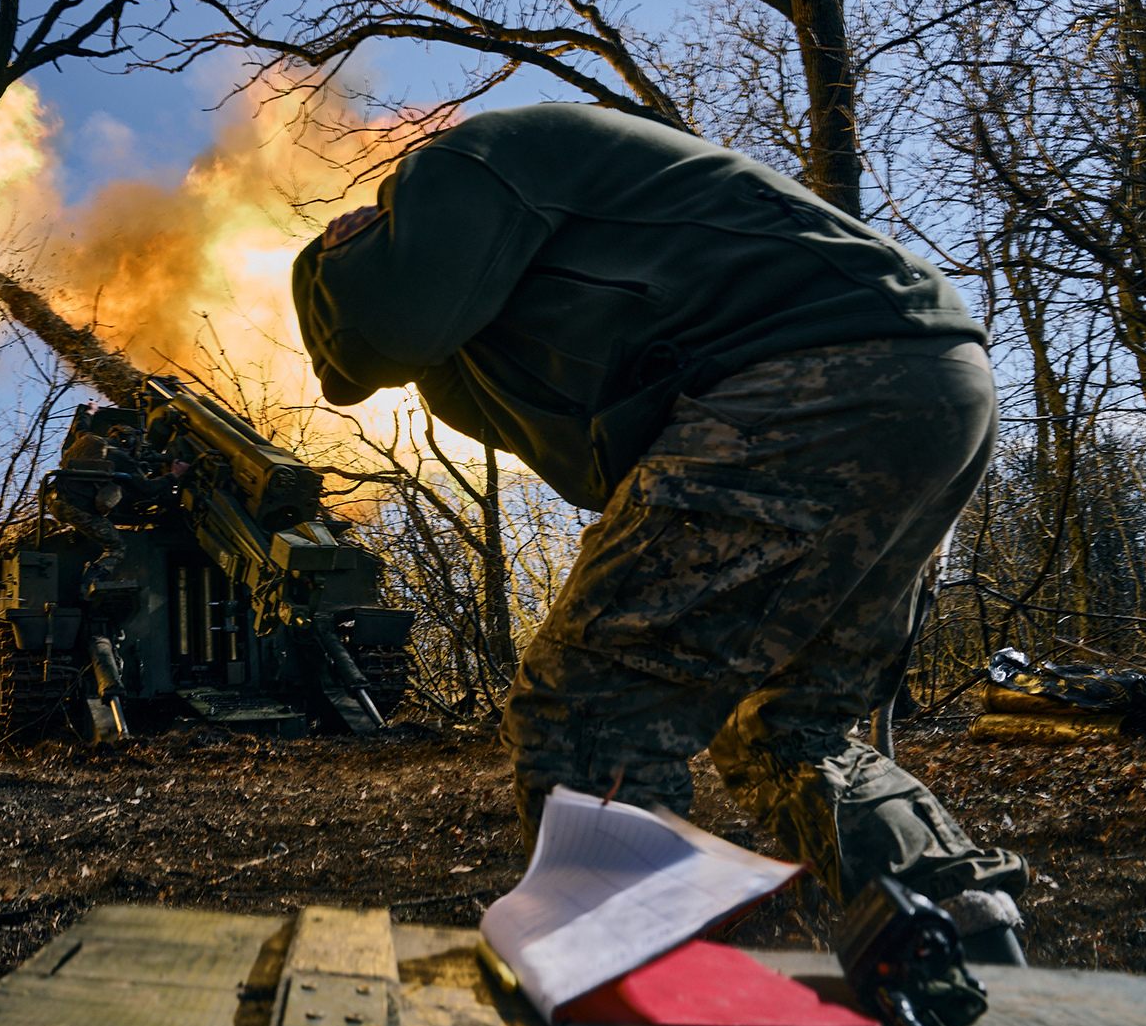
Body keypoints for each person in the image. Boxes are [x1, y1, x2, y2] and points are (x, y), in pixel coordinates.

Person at [292, 103, 1029, 964]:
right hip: (932, 383)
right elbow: (385, 370)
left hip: (813, 378)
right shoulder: (545, 258)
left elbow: (383, 330)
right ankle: (963, 938)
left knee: (593, 700)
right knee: (788, 723)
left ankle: (633, 987)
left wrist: (325, 259)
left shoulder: (467, 162)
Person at [48, 424, 183, 596]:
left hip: (55, 502)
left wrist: (89, 412)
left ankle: (77, 535)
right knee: (116, 547)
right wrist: (174, 475)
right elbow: (146, 488)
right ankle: (90, 583)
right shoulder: (118, 457)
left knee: (97, 516)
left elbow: (80, 429)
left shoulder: (88, 441)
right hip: (78, 509)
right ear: (128, 440)